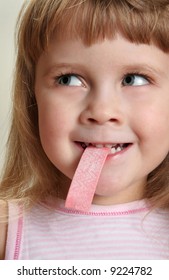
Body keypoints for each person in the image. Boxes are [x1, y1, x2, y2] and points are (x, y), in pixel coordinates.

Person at [1, 0, 169, 260]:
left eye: (134, 79)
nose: (102, 111)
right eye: (68, 79)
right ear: (32, 98)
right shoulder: (6, 231)